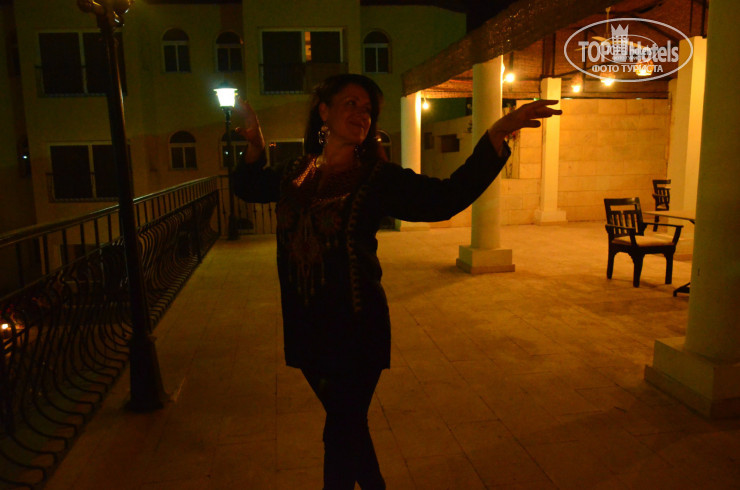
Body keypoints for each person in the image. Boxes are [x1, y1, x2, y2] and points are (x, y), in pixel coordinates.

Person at [232, 74, 561, 490]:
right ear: (324, 111)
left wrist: (495, 135)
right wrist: (256, 146)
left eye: (368, 110)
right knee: (349, 428)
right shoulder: (296, 172)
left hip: (356, 328)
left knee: (340, 433)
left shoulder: (377, 179)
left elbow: (445, 198)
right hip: (306, 328)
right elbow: (248, 187)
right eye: (351, 104)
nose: (362, 114)